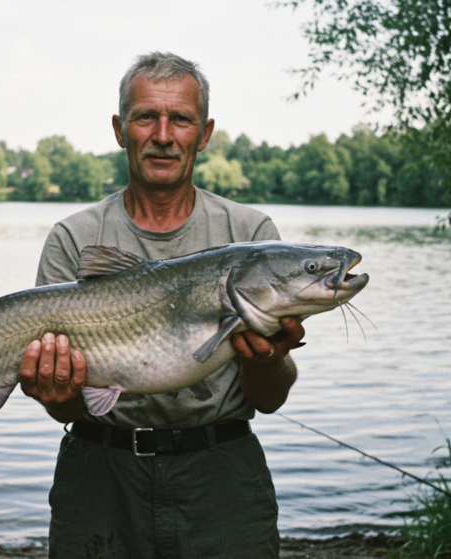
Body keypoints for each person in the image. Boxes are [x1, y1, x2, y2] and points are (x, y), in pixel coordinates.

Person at [17, 52, 305, 559]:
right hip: (99, 473)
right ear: (119, 128)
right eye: (146, 116)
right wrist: (53, 391)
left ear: (205, 131)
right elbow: (62, 405)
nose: (164, 135)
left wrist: (270, 356)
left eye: (182, 119)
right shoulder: (76, 237)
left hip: (221, 474)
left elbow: (269, 399)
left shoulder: (251, 237)